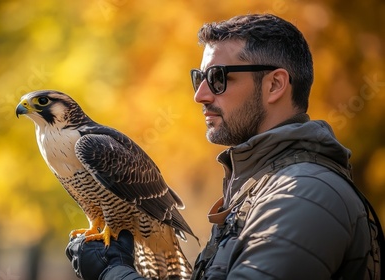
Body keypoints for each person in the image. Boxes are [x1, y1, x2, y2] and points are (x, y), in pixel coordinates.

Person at [65, 13, 380, 279]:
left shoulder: (303, 194)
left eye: (217, 77)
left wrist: (114, 274)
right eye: (198, 78)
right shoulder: (257, 188)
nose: (200, 95)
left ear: (275, 85)